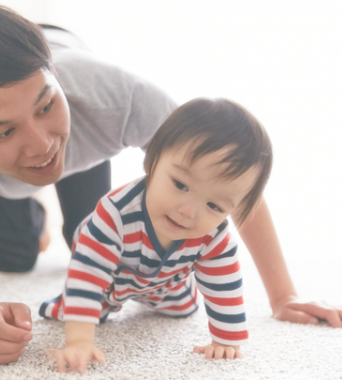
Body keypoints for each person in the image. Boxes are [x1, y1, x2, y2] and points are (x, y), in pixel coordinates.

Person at [0, 4, 342, 365]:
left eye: (45, 107)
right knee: (13, 259)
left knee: (91, 236)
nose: (40, 145)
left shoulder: (112, 93)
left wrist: (283, 294)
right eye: (2, 131)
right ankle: (29, 220)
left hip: (83, 136)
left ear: (57, 80)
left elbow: (223, 181)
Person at [41, 97, 270, 373]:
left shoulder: (214, 235)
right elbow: (87, 275)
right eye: (180, 184)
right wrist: (78, 341)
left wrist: (227, 339)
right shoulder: (115, 214)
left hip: (166, 279)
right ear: (151, 162)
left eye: (214, 205)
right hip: (108, 274)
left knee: (184, 308)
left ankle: (164, 291)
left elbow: (224, 282)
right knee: (77, 310)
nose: (187, 211)